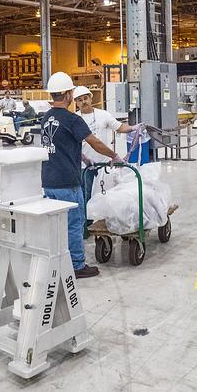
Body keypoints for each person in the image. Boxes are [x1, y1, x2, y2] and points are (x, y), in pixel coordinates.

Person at [39, 72, 120, 278]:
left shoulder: (46, 118)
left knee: (56, 224)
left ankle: (57, 261)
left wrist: (82, 157)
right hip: (67, 181)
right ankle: (76, 265)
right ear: (67, 95)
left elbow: (59, 143)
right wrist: (114, 155)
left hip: (48, 181)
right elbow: (95, 142)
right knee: (74, 222)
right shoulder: (72, 119)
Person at [73, 86, 137, 200]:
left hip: (103, 166)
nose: (84, 102)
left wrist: (133, 128)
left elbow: (119, 127)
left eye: (85, 98)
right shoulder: (74, 118)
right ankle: (87, 218)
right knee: (86, 195)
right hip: (84, 166)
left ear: (91, 99)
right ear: (76, 103)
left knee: (103, 195)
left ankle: (100, 217)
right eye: (80, 100)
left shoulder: (103, 114)